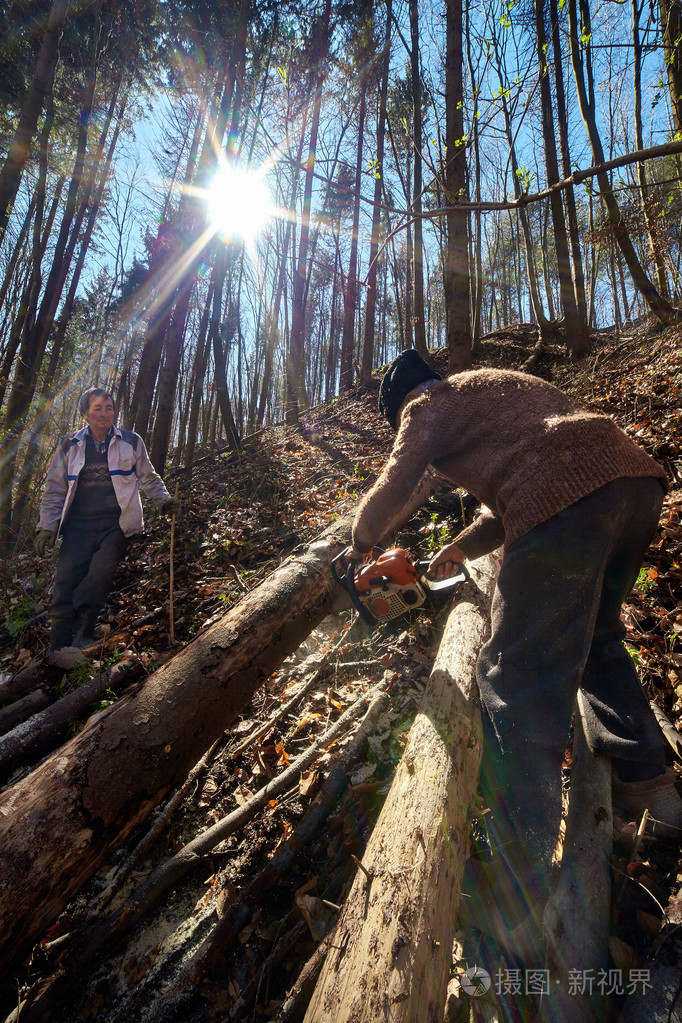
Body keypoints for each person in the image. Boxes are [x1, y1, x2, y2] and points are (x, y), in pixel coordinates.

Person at [349, 349, 682, 935]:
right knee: (599, 639)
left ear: (402, 400)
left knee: (513, 675)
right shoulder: (499, 386)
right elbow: (541, 469)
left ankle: (515, 873)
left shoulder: (427, 403)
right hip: (633, 483)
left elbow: (399, 480)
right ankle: (656, 791)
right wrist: (460, 550)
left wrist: (359, 540)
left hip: (567, 499)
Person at [35, 387, 181, 652]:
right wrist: (46, 526)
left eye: (109, 408)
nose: (104, 413)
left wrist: (164, 501)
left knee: (101, 573)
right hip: (78, 526)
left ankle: (83, 632)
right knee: (66, 577)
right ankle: (57, 641)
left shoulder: (131, 441)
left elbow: (148, 477)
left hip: (116, 524)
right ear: (85, 415)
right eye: (97, 408)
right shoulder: (69, 444)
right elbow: (55, 488)